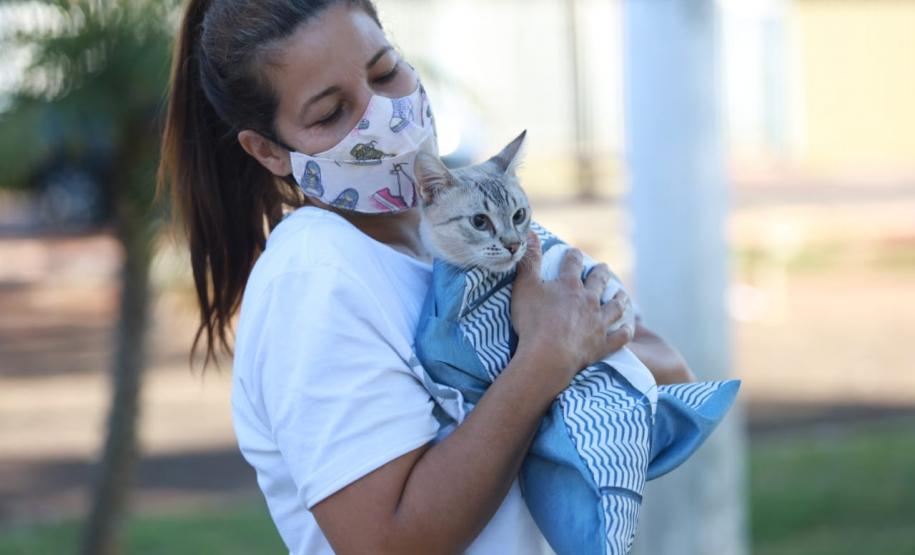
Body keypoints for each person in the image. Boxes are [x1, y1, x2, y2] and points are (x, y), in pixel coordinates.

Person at [158, 0, 695, 553]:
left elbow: (673, 374)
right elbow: (387, 541)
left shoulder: (472, 227)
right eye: (330, 113)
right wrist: (545, 358)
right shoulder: (316, 278)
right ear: (269, 150)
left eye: (386, 72)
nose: (383, 118)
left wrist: (570, 345)